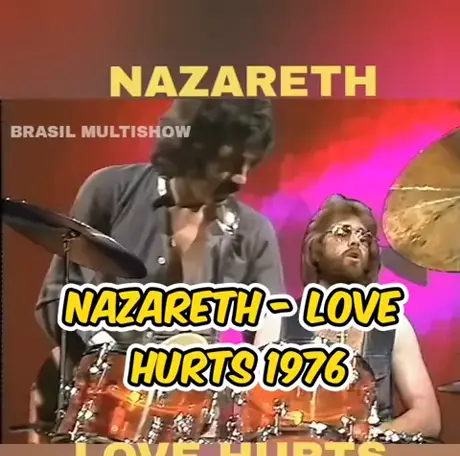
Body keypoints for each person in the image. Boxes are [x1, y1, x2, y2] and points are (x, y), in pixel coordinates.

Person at [30, 98, 285, 436]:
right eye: (229, 161)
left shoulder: (253, 230)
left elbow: (269, 323)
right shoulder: (110, 191)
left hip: (191, 413)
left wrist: (253, 382)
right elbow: (57, 297)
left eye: (249, 163)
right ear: (192, 150)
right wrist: (107, 359)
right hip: (106, 404)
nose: (241, 177)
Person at [281, 194, 441, 438]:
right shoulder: (279, 320)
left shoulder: (393, 323)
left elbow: (428, 417)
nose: (356, 241)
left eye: (364, 238)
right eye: (342, 233)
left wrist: (370, 435)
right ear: (316, 249)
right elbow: (256, 411)